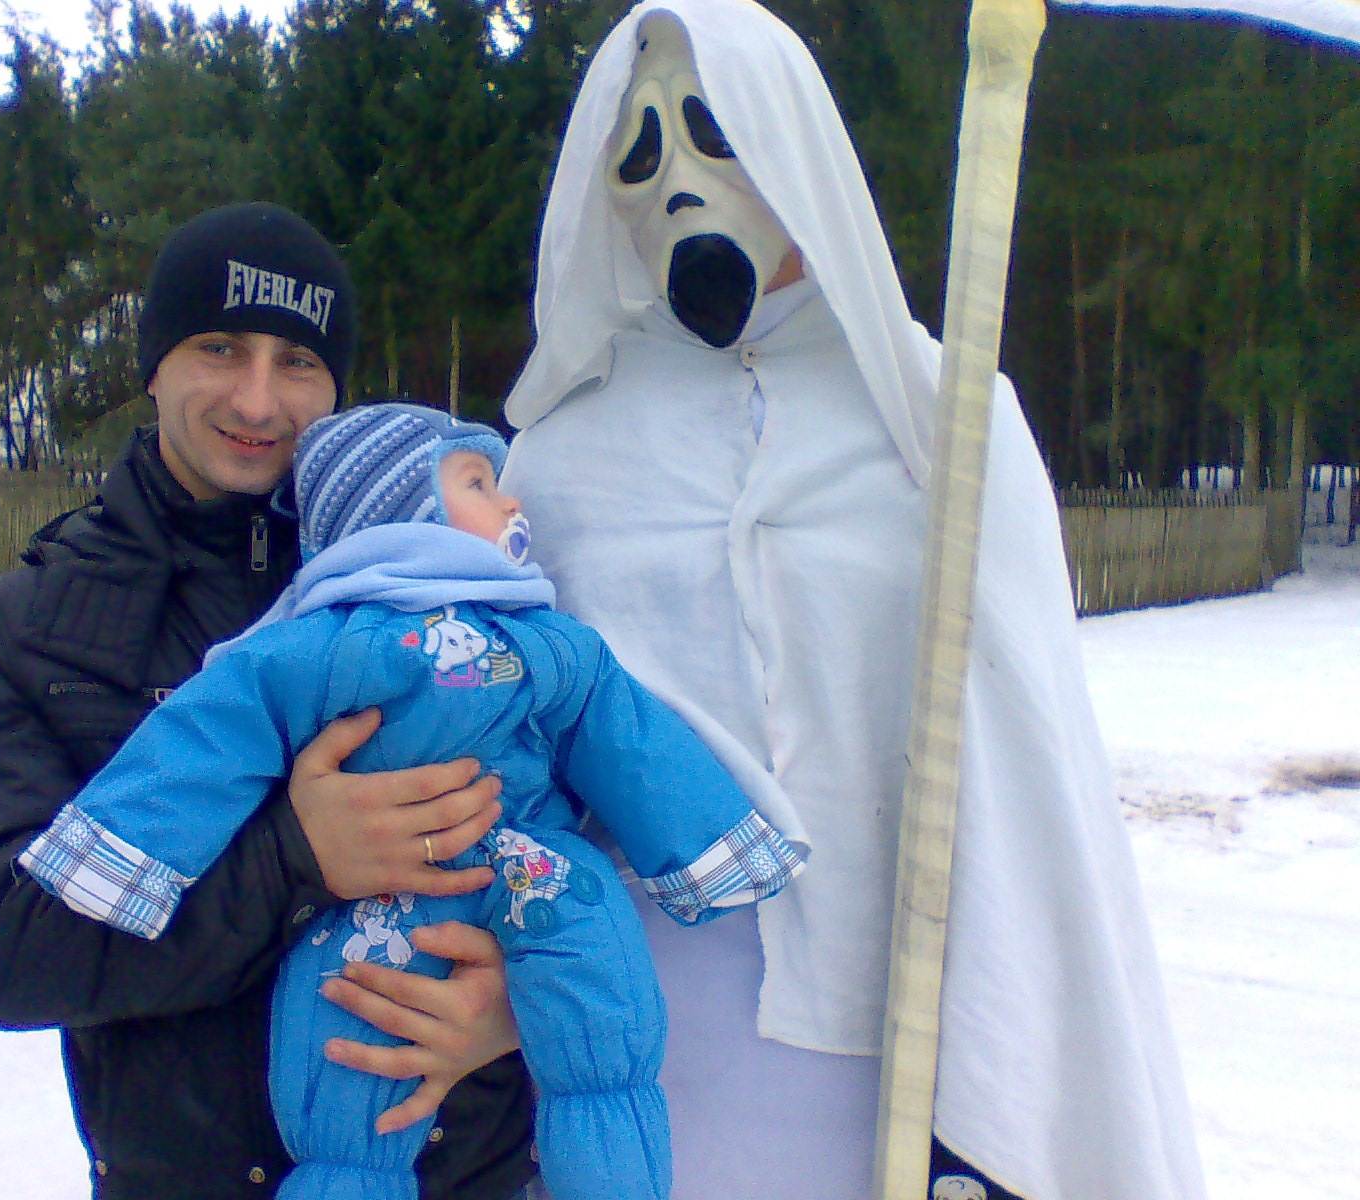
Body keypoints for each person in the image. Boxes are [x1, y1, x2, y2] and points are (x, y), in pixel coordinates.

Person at [499, 3, 1208, 1199]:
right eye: (637, 153)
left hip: (902, 1036)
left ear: (789, 139)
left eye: (713, 132)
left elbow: (1028, 769)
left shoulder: (942, 417)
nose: (677, 183)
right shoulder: (558, 459)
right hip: (640, 1049)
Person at [17, 401, 804, 1200]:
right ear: (409, 512)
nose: (511, 502)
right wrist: (127, 850)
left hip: (535, 876)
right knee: (354, 1090)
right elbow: (212, 733)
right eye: (477, 484)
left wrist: (701, 842)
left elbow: (626, 738)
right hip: (375, 902)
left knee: (602, 1028)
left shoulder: (544, 639)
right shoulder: (324, 644)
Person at [0, 203, 536, 1200]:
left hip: (462, 1173)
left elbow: (580, 825)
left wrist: (516, 1003)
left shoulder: (457, 578)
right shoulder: (34, 625)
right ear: (154, 364)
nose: (258, 400)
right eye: (219, 347)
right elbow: (1, 950)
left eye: (296, 361)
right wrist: (294, 860)